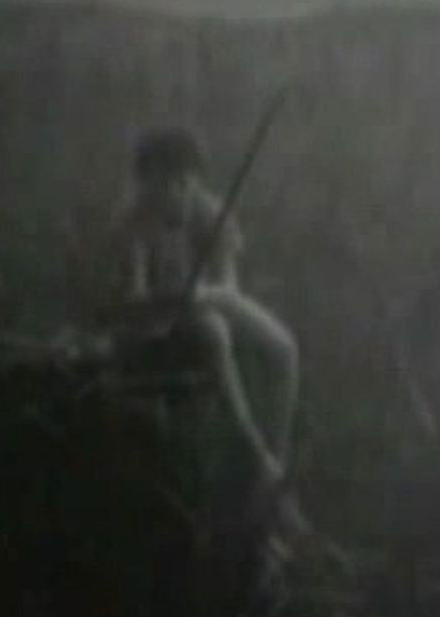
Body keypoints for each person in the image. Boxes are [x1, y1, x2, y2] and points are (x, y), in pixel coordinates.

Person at [110, 127, 299, 484]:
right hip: (155, 332)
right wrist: (170, 301)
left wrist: (200, 294)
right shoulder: (132, 223)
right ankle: (252, 448)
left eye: (186, 182)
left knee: (283, 347)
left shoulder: (212, 214)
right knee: (214, 330)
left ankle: (278, 459)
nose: (179, 192)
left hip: (206, 301)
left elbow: (229, 287)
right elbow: (134, 302)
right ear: (147, 182)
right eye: (168, 183)